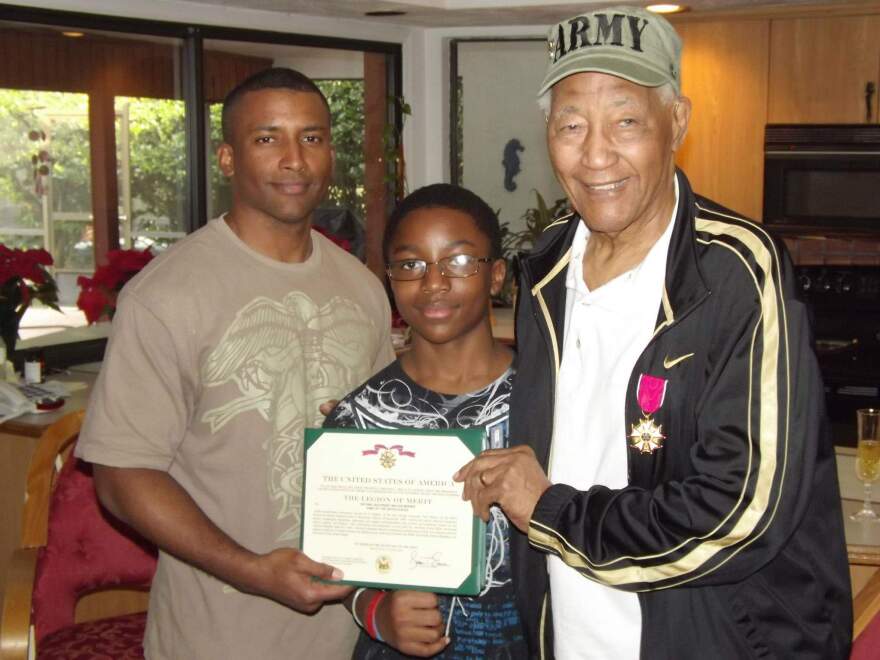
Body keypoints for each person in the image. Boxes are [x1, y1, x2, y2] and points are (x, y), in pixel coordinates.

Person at [454, 6, 852, 659]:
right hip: (573, 635)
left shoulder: (736, 271)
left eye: (627, 120)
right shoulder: (547, 267)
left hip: (712, 639)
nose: (596, 154)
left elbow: (739, 515)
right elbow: (569, 442)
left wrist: (551, 511)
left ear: (678, 123)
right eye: (571, 125)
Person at [76, 67, 394, 659]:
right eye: (267, 138)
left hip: (351, 637)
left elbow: (378, 446)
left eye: (313, 137)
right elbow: (122, 478)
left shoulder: (362, 288)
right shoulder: (167, 294)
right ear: (227, 159)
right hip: (218, 636)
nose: (295, 159)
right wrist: (252, 570)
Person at [324, 183, 527, 659]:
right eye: (411, 264)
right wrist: (377, 611)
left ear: (496, 275)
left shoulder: (549, 403)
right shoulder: (359, 416)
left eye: (457, 261)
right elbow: (337, 560)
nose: (433, 283)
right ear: (390, 278)